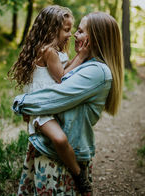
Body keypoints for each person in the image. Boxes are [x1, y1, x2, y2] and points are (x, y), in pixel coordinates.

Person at [13, 11, 124, 196]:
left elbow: (57, 94)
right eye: (72, 30)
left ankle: (79, 175)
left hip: (59, 159)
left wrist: (23, 103)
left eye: (80, 31)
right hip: (48, 149)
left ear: (94, 38)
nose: (74, 35)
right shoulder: (86, 63)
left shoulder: (96, 71)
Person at [9, 5, 91, 193]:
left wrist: (78, 60)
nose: (70, 35)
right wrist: (82, 55)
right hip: (41, 108)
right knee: (60, 140)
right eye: (66, 30)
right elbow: (62, 77)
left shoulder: (57, 51)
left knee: (67, 137)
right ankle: (79, 175)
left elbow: (66, 67)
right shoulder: (47, 51)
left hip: (50, 104)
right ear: (52, 30)